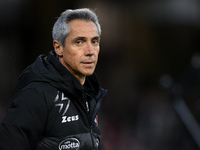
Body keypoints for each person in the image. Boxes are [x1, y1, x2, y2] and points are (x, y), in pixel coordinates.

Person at [0, 8, 107, 150]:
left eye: (94, 41)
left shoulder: (90, 93)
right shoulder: (37, 94)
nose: (90, 51)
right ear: (58, 47)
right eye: (79, 42)